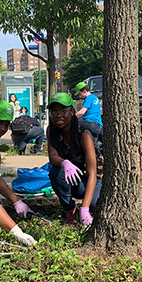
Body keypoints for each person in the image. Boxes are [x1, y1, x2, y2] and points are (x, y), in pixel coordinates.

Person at [47, 92, 101, 226]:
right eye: (54, 112)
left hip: (93, 179)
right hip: (74, 179)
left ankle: (84, 211)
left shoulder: (84, 133)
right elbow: (52, 157)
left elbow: (93, 173)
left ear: (71, 111)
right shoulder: (51, 130)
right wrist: (64, 163)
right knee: (55, 172)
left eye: (63, 111)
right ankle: (70, 210)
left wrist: (85, 208)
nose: (58, 115)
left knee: (94, 205)